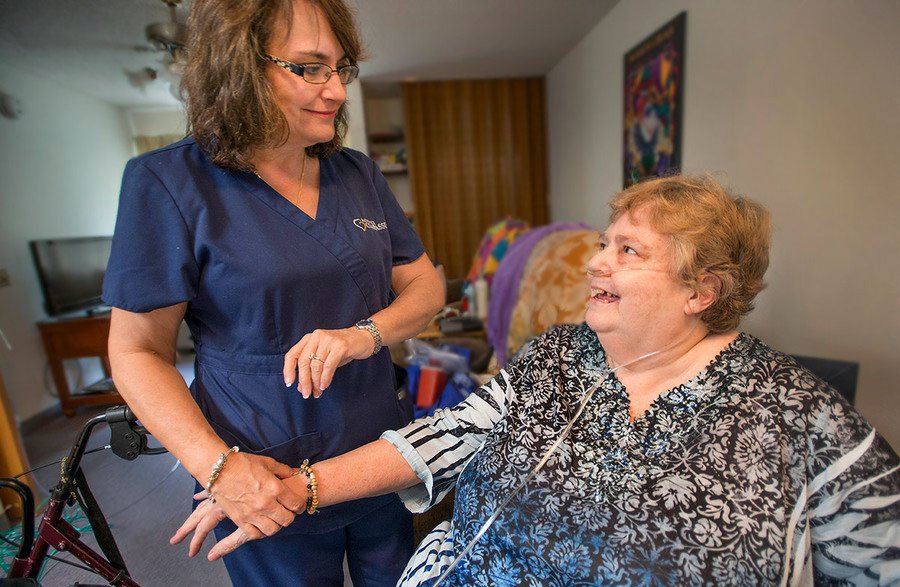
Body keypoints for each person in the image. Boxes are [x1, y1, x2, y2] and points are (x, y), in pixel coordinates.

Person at [173, 174, 900, 585]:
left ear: (701, 290)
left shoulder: (798, 417)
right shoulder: (561, 354)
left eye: (628, 250)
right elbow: (442, 436)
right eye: (604, 243)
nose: (596, 262)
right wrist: (298, 486)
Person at [102, 0, 444, 585]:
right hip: (261, 475)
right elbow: (136, 352)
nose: (335, 90)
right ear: (239, 69)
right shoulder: (168, 183)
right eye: (310, 68)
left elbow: (425, 284)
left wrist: (367, 334)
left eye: (342, 68)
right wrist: (220, 469)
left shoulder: (356, 174)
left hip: (377, 455)